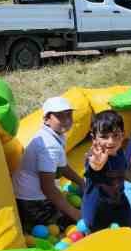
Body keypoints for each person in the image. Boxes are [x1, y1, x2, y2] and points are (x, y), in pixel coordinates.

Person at [13, 97, 84, 231]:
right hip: (31, 202)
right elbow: (48, 188)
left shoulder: (53, 135)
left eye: (69, 114)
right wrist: (74, 213)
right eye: (60, 116)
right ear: (46, 119)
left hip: (30, 195)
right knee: (66, 224)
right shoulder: (48, 147)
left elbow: (62, 167)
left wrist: (82, 183)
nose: (67, 120)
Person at [82, 110, 131, 232]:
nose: (111, 141)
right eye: (104, 137)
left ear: (123, 135)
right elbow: (94, 166)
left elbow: (123, 172)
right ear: (94, 138)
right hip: (97, 210)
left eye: (115, 135)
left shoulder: (119, 153)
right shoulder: (94, 156)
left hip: (119, 203)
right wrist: (97, 164)